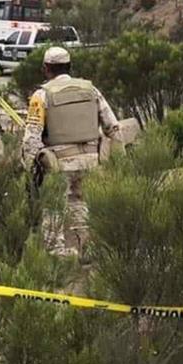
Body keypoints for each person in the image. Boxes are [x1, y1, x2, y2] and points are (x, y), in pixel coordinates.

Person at [21, 46, 121, 255]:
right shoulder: (91, 90)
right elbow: (112, 126)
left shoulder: (42, 95)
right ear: (70, 66)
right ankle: (85, 249)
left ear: (46, 68)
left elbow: (31, 138)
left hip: (59, 163)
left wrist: (32, 167)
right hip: (91, 161)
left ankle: (56, 255)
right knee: (80, 204)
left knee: (54, 207)